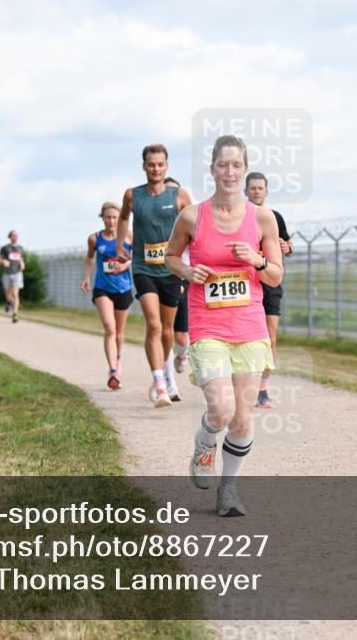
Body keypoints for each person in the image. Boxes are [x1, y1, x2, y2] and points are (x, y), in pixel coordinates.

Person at [164, 135, 283, 517]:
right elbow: (170, 256)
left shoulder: (262, 218)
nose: (229, 171)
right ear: (212, 169)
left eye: (236, 165)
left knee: (244, 418)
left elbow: (276, 277)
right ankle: (205, 440)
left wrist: (258, 260)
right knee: (221, 410)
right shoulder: (191, 216)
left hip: (248, 325)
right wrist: (187, 269)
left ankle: (228, 491)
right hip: (208, 324)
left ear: (244, 169)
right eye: (222, 165)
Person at [116, 144, 193, 408]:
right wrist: (119, 246)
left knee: (168, 330)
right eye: (151, 164)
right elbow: (123, 218)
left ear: (167, 166)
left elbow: (194, 227)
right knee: (154, 324)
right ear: (144, 166)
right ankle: (159, 382)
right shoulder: (132, 195)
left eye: (160, 164)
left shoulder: (180, 195)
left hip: (170, 269)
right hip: (143, 267)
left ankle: (167, 368)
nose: (156, 169)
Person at [245, 172, 293, 408]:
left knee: (269, 338)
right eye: (252, 188)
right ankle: (242, 384)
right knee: (244, 337)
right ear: (245, 191)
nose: (256, 192)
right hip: (245, 282)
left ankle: (263, 388)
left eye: (260, 188)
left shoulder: (275, 217)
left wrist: (286, 246)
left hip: (270, 282)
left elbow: (288, 246)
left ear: (266, 192)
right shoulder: (239, 216)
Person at [82, 202, 134, 390]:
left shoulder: (129, 236)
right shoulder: (95, 239)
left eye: (115, 217)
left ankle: (117, 360)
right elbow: (89, 258)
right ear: (102, 218)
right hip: (102, 288)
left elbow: (138, 257)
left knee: (119, 332)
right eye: (108, 217)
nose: (111, 221)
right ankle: (113, 370)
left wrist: (126, 265)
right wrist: (87, 276)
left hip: (123, 288)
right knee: (109, 327)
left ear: (120, 219)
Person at [164, 177, 191, 381]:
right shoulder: (156, 226)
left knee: (181, 336)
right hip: (161, 279)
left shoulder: (190, 223)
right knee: (164, 332)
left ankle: (182, 356)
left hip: (184, 278)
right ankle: (166, 381)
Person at [0, 230, 26, 324]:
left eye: (16, 235)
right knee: (8, 295)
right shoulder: (5, 248)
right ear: (10, 237)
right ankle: (8, 302)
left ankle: (15, 314)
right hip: (7, 274)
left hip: (17, 273)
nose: (15, 237)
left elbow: (20, 258)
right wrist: (3, 261)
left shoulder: (20, 248)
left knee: (15, 294)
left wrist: (22, 264)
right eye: (13, 235)